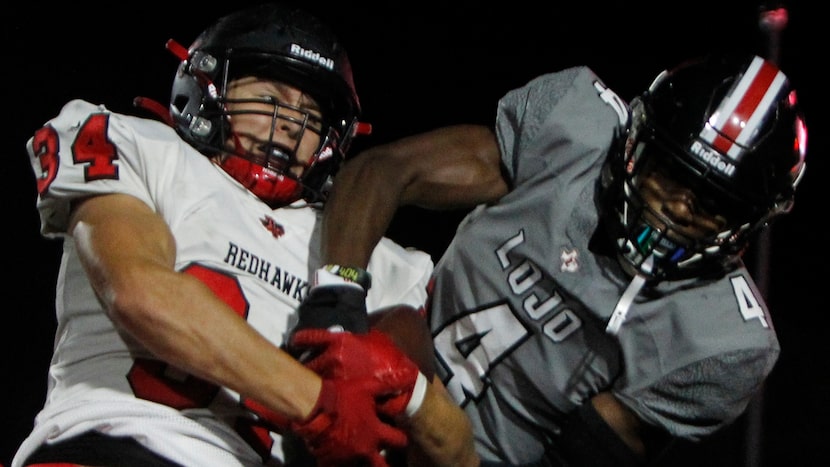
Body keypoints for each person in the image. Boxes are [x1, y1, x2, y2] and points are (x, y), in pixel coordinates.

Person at [13, 3, 475, 467]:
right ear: (209, 89)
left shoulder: (370, 255)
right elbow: (139, 292)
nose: (292, 125)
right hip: (119, 440)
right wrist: (319, 403)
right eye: (271, 99)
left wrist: (409, 392)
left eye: (312, 117)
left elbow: (457, 450)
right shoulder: (146, 150)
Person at [292, 52, 808, 466]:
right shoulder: (577, 133)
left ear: (754, 220)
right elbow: (387, 171)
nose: (675, 207)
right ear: (635, 137)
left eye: (710, 203)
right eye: (669, 173)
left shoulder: (720, 341)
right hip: (389, 356)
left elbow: (579, 455)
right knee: (382, 333)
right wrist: (335, 304)